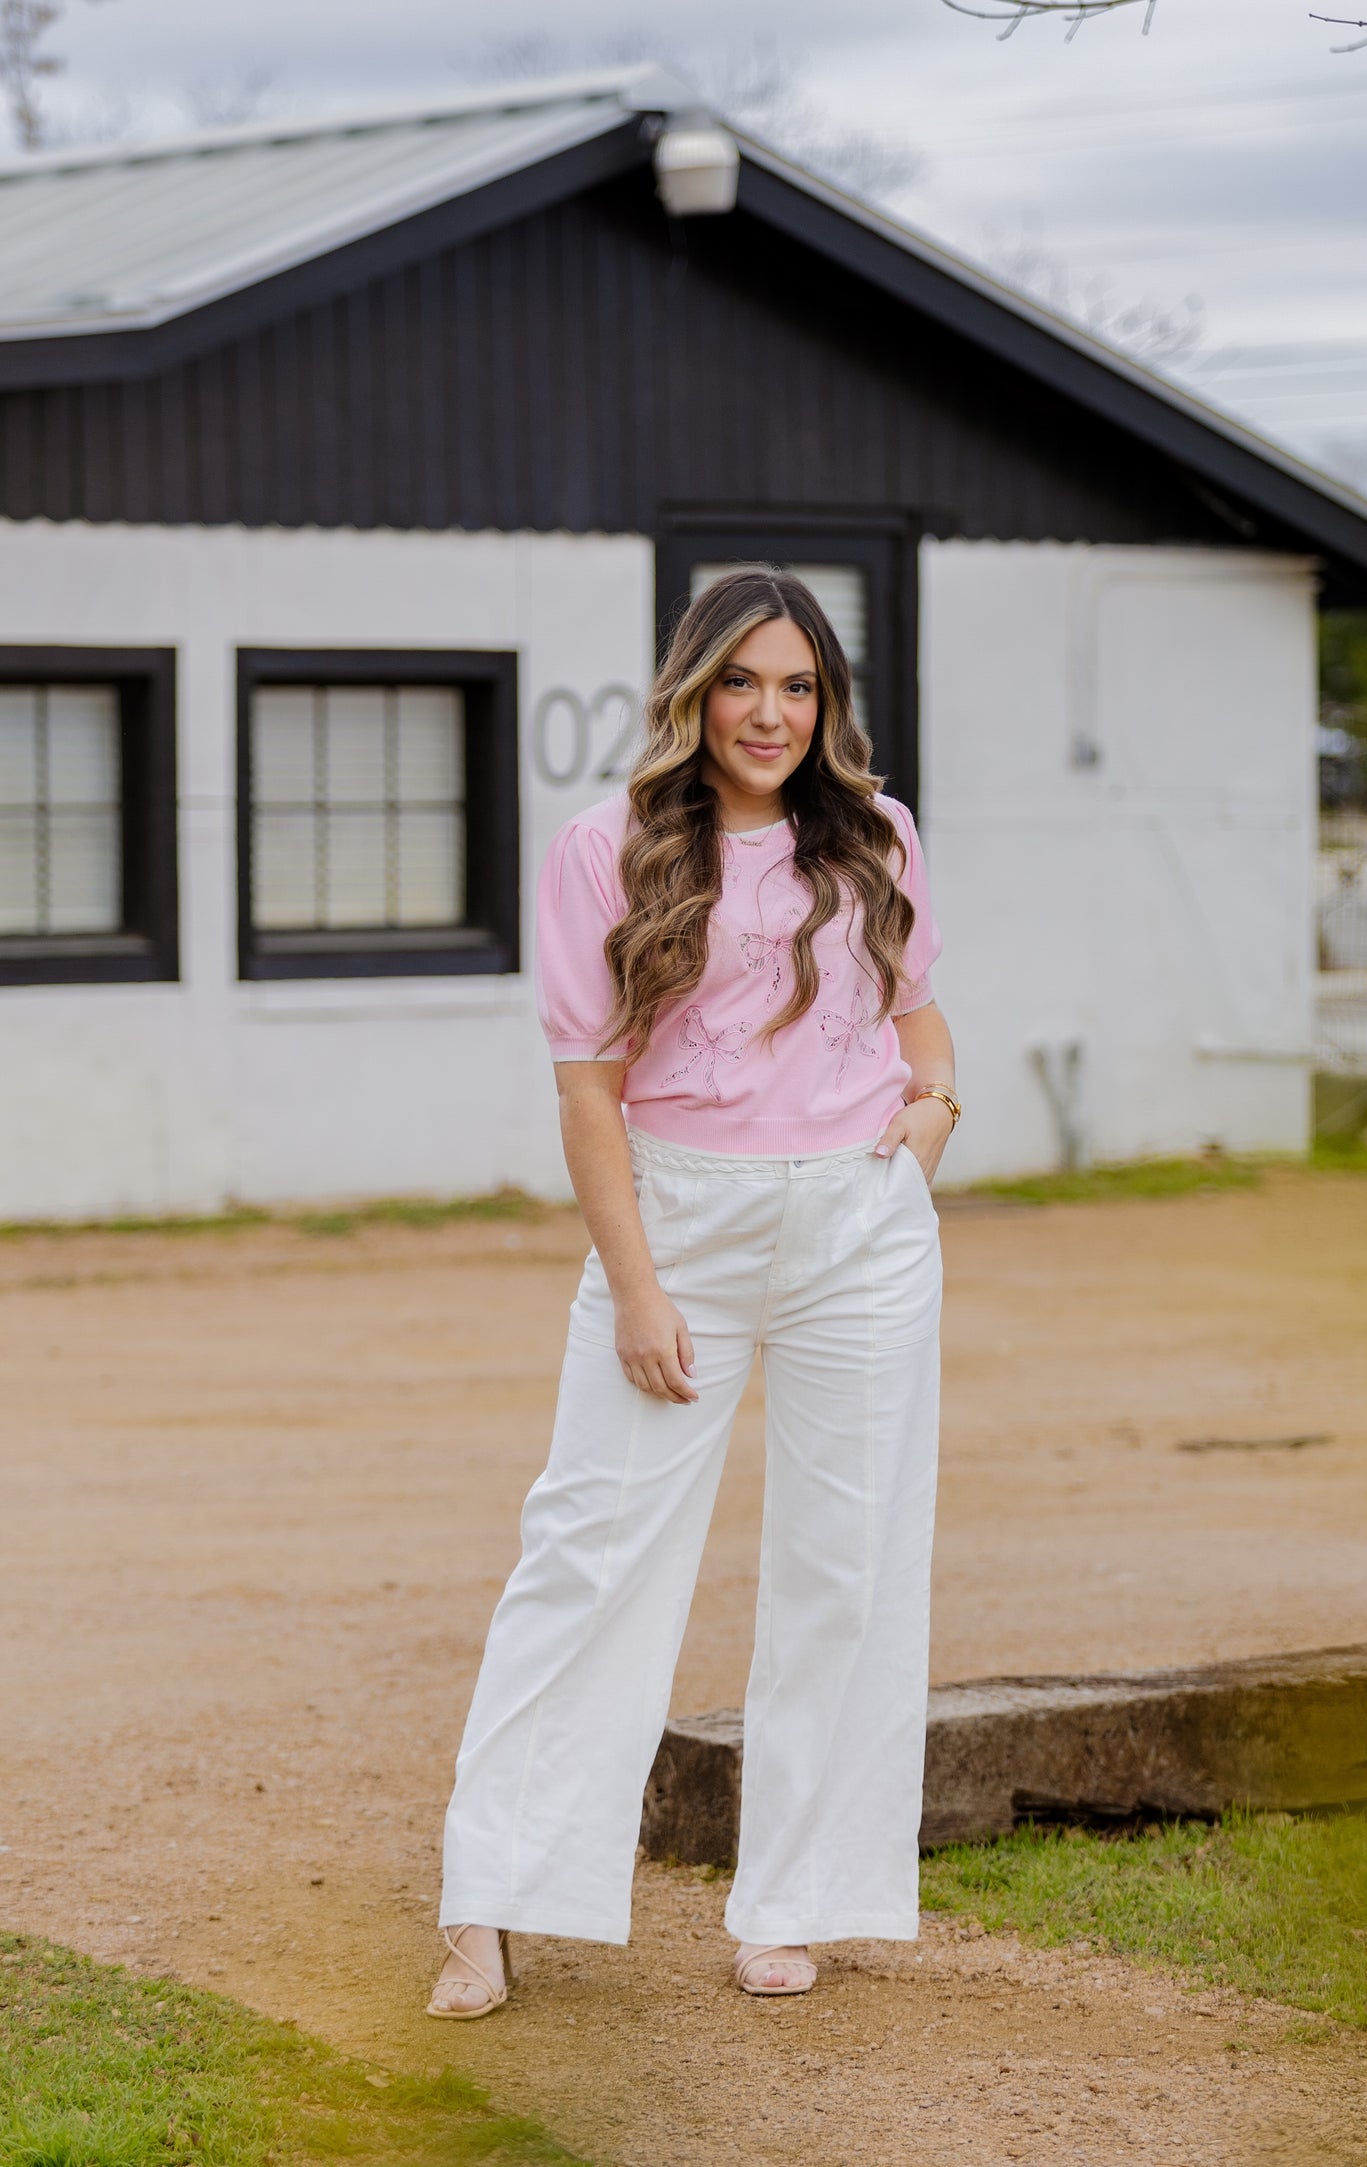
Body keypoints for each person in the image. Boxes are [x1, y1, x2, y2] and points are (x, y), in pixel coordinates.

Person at [428, 565, 957, 2014]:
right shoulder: (605, 848)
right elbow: (586, 1096)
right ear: (692, 692)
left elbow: (920, 1021)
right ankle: (491, 1898)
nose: (769, 713)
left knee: (846, 1569)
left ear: (825, 702)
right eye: (742, 682)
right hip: (681, 1229)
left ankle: (796, 1898)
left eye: (798, 686)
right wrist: (637, 1284)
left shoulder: (876, 836)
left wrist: (921, 1136)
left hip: (858, 1230)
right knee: (591, 1551)